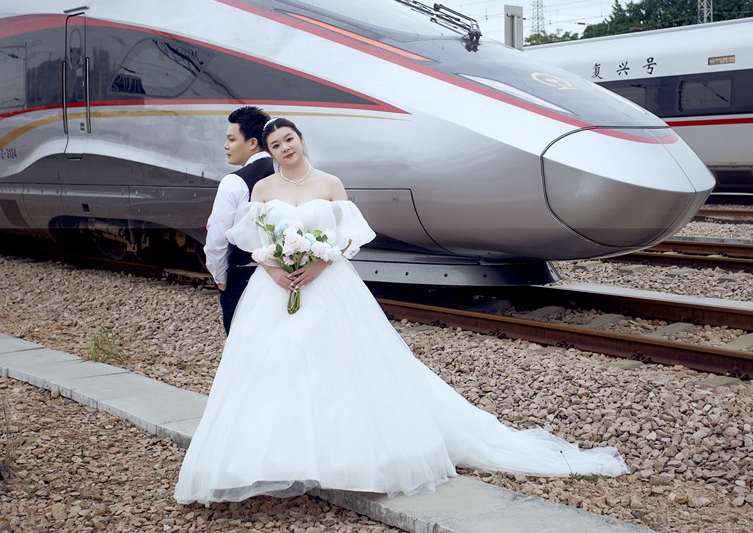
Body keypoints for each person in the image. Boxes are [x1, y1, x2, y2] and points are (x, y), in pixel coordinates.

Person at [175, 118, 627, 504]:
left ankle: (348, 458)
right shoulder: (262, 187)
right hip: (275, 288)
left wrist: (316, 265)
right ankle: (272, 456)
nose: (284, 148)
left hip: (326, 284)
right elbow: (253, 239)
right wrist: (276, 272)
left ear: (301, 139)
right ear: (269, 151)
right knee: (272, 367)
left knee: (342, 364)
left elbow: (346, 238)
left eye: (289, 139)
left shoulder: (329, 183)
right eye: (276, 145)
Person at [204, 106, 274, 335]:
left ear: (252, 143)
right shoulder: (284, 173)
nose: (226, 146)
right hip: (282, 276)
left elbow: (217, 237)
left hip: (243, 276)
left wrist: (220, 277)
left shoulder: (234, 182)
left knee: (241, 344)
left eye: (231, 139)